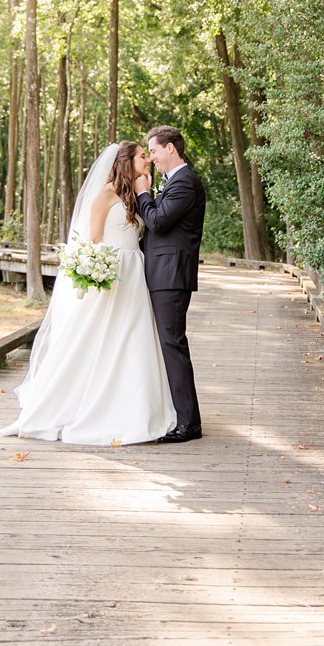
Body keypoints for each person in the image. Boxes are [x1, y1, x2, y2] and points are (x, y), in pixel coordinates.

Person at [0, 142, 176, 446]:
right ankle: (53, 409)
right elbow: (93, 241)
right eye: (142, 156)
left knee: (134, 338)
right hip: (113, 272)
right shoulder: (104, 194)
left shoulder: (137, 192)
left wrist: (145, 189)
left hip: (136, 272)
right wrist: (94, 271)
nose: (147, 160)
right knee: (95, 339)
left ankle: (138, 410)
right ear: (127, 161)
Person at [134, 124, 207, 444]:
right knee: (167, 345)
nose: (151, 158)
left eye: (153, 151)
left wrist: (142, 193)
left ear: (170, 148)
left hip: (170, 275)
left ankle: (189, 423)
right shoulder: (174, 182)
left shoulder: (185, 183)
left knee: (172, 345)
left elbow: (159, 221)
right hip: (161, 273)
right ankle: (178, 414)